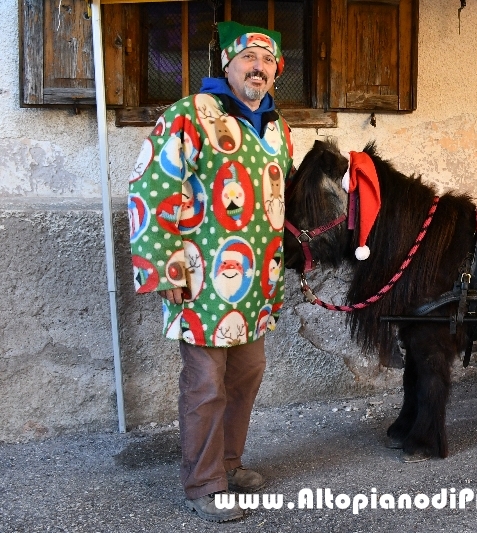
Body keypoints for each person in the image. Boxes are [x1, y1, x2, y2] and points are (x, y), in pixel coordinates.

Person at [127, 21, 293, 522]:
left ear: (277, 72)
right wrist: (165, 267)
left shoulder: (278, 129)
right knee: (205, 383)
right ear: (226, 63)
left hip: (256, 283)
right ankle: (203, 483)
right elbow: (150, 189)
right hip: (200, 283)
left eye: (267, 61)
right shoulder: (189, 116)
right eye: (248, 58)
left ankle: (228, 462)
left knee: (248, 373)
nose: (258, 68)